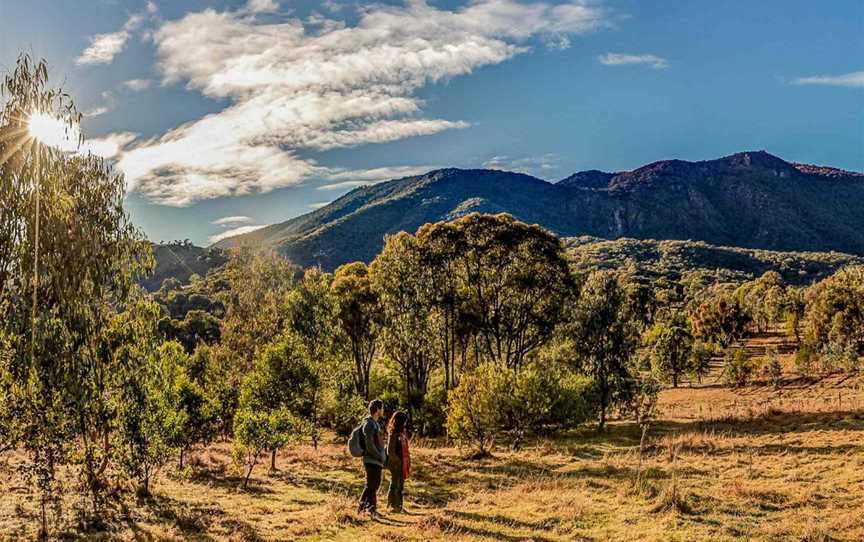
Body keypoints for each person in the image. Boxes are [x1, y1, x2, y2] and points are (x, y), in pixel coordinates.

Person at [358, 399, 387, 515]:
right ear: (378, 409)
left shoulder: (375, 423)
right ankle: (364, 508)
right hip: (371, 459)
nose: (383, 410)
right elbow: (369, 443)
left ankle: (370, 508)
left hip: (376, 459)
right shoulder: (369, 423)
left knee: (374, 484)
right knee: (371, 484)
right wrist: (378, 455)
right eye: (382, 408)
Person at [385, 411, 410, 513]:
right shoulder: (393, 433)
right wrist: (397, 461)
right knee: (395, 484)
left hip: (402, 463)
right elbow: (390, 451)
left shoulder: (402, 433)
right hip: (395, 464)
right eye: (404, 421)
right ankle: (392, 505)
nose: (405, 423)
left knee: (400, 485)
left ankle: (399, 506)